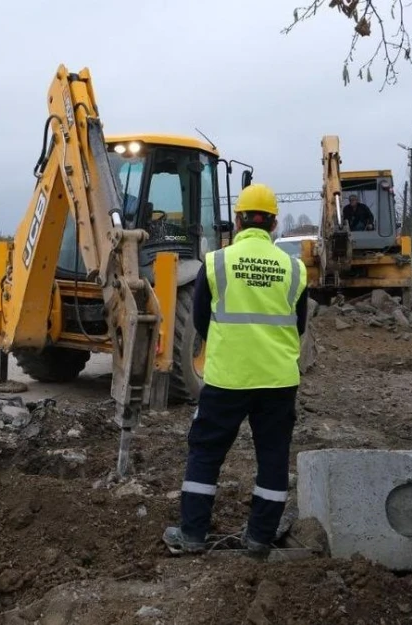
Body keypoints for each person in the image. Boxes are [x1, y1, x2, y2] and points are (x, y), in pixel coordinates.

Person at [162, 183, 309, 559]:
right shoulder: (294, 269)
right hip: (278, 381)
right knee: (273, 457)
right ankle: (259, 537)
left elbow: (199, 321)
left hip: (227, 378)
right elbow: (300, 325)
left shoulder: (216, 262)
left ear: (239, 221)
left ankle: (193, 535)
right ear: (274, 224)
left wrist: (231, 346)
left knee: (206, 452)